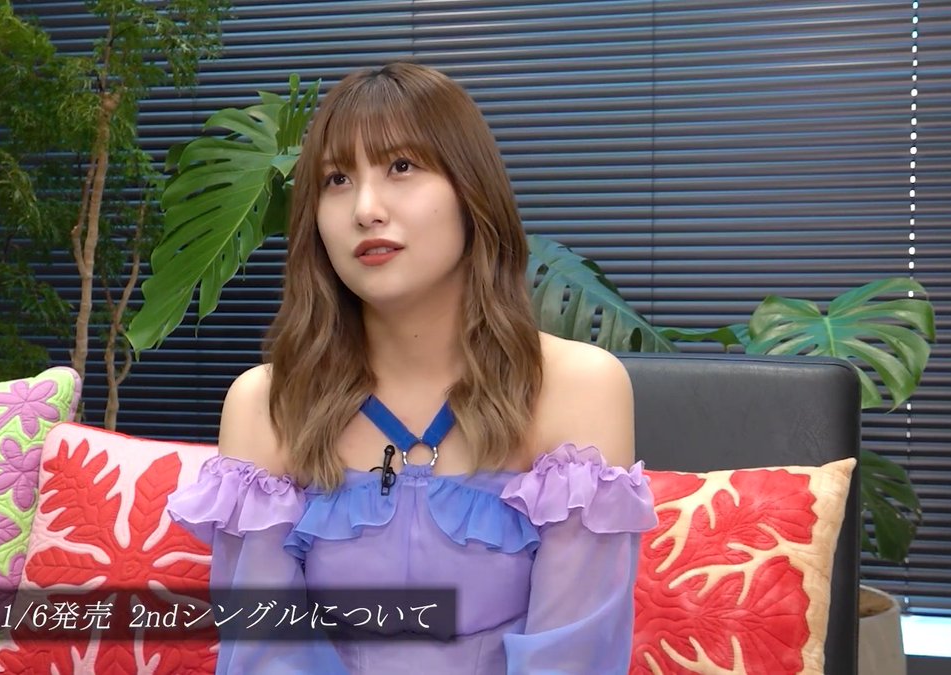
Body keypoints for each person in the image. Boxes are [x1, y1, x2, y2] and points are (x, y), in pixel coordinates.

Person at [167, 61, 658, 674]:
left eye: (401, 167)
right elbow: (267, 655)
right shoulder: (265, 404)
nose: (366, 209)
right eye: (336, 180)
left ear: (471, 190)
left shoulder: (579, 387)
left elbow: (574, 659)